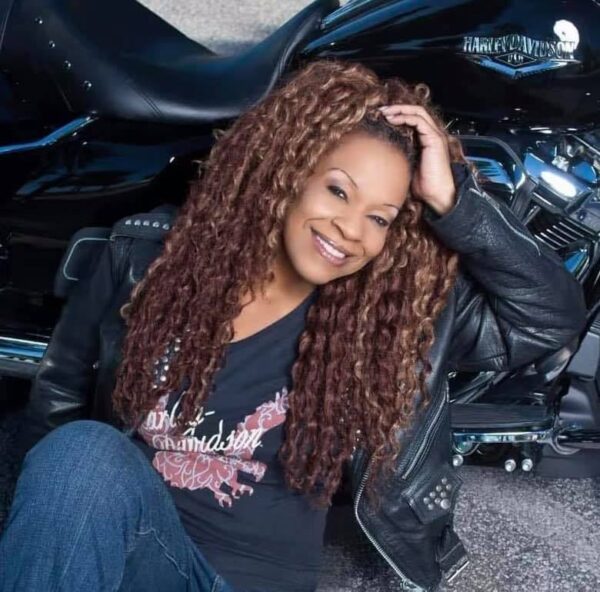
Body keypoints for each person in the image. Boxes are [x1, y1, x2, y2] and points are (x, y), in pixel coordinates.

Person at [0, 59, 587, 592]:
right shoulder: (146, 260)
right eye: (338, 190)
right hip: (126, 549)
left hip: (245, 579)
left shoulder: (388, 320)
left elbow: (551, 318)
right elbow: (59, 397)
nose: (352, 230)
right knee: (79, 453)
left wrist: (455, 201)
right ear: (289, 172)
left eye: (380, 218)